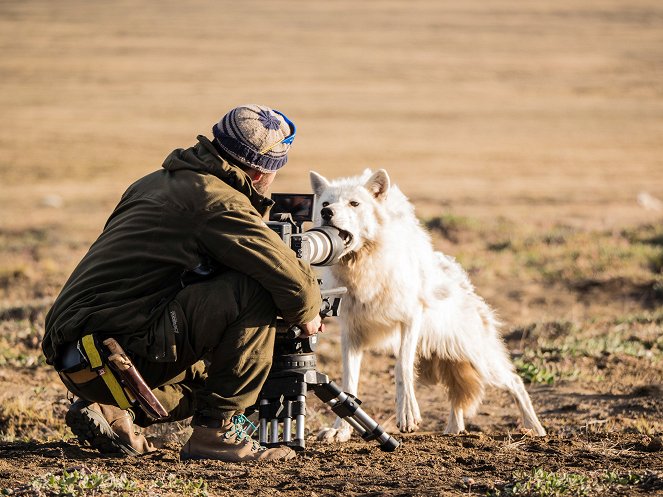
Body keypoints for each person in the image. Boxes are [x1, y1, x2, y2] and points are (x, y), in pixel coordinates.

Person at [42, 104, 324, 462]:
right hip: (116, 352)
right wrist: (307, 314)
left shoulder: (153, 182)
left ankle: (113, 409)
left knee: (223, 368)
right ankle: (216, 433)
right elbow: (294, 284)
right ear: (259, 173)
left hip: (79, 356)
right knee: (254, 293)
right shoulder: (217, 201)